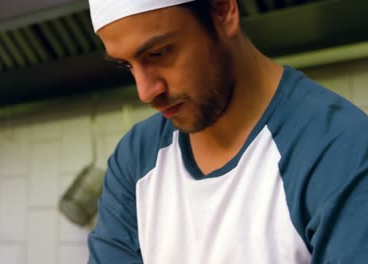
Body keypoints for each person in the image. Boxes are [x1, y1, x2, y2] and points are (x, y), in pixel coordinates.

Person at [86, 0, 368, 263]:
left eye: (157, 53)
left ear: (222, 11)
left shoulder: (339, 149)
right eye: (127, 65)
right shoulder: (137, 157)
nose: (146, 92)